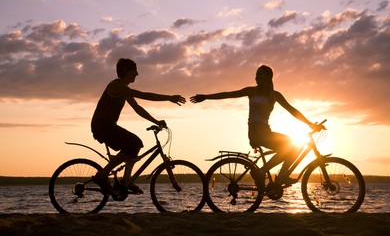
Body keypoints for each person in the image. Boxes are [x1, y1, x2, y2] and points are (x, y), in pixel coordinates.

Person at [190, 65, 324, 190]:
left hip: (266, 132)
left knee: (294, 145)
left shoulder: (274, 95)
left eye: (260, 75)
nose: (256, 78)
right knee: (293, 146)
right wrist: (206, 97)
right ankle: (265, 172)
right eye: (256, 75)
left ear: (268, 78)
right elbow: (228, 94)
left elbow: (292, 110)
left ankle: (279, 174)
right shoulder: (251, 91)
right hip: (256, 133)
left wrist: (310, 124)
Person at [91, 58, 186, 194]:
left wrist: (156, 121)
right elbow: (144, 95)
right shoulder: (116, 86)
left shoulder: (124, 90)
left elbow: (138, 109)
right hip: (102, 126)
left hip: (108, 126)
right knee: (130, 146)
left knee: (137, 143)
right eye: (134, 70)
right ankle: (102, 175)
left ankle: (126, 181)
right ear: (125, 71)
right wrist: (169, 97)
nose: (137, 73)